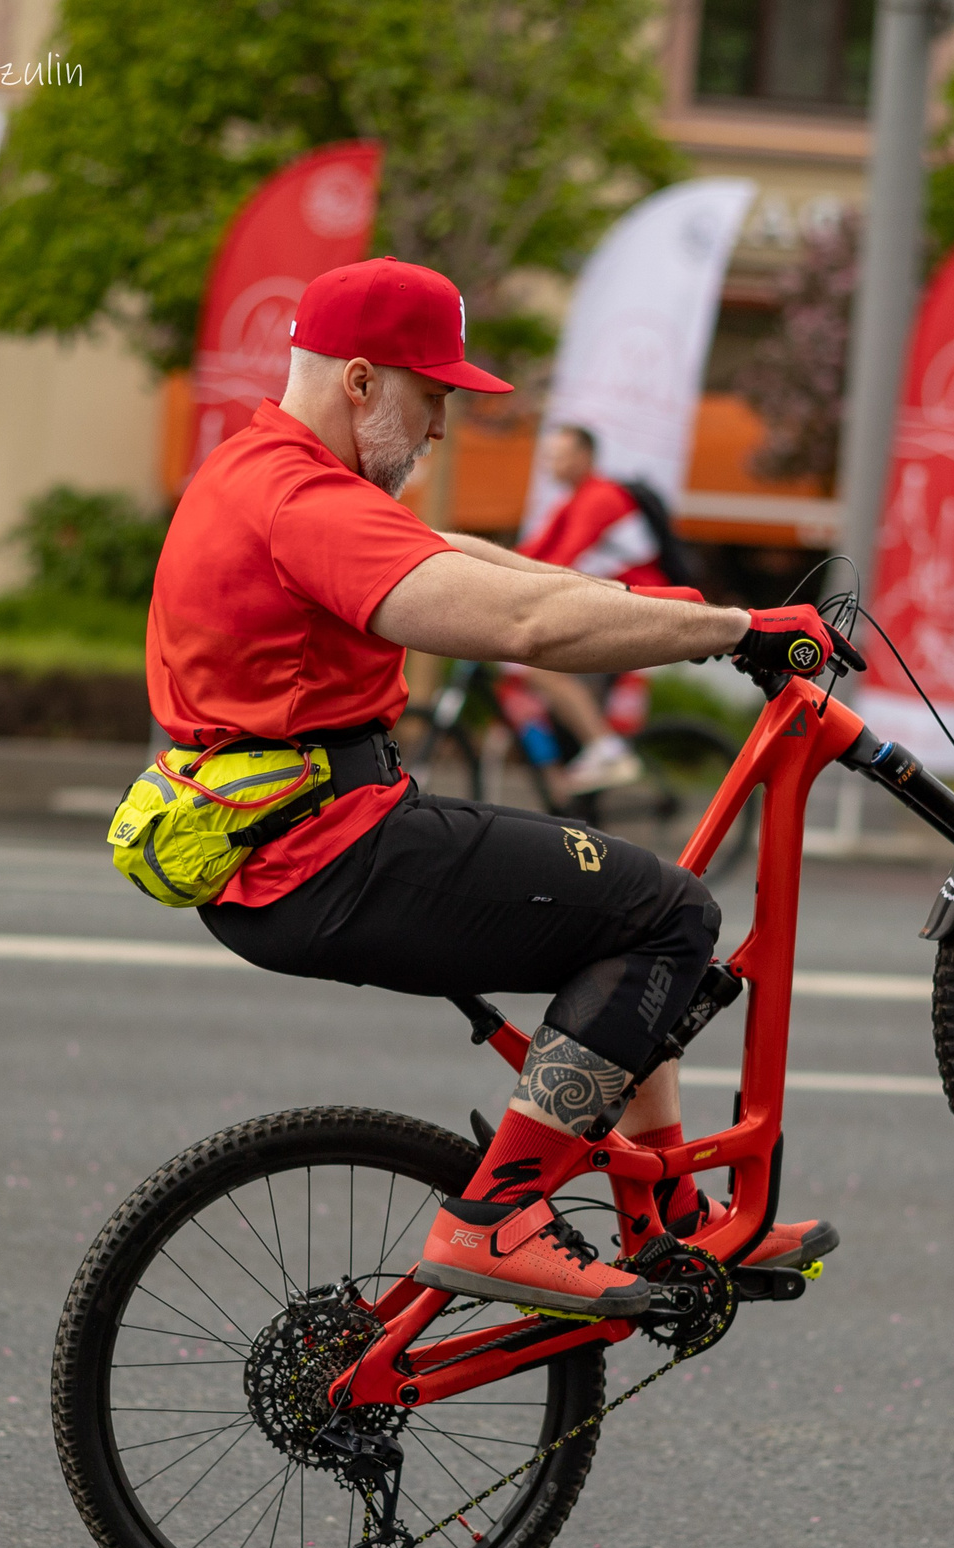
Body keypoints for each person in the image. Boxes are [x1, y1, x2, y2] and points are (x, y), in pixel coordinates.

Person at [148, 257, 837, 1315]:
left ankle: (670, 1225)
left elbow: (464, 556)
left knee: (631, 918)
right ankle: (496, 1218)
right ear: (364, 382)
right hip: (326, 853)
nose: (437, 431)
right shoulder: (295, 496)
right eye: (433, 399)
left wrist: (666, 606)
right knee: (667, 915)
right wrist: (737, 629)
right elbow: (526, 628)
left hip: (299, 844)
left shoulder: (270, 469)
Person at [504, 424, 668, 792]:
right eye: (548, 456)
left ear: (585, 457)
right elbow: (529, 553)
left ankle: (604, 749)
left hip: (638, 608)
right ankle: (573, 771)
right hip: (612, 604)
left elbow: (561, 561)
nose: (551, 464)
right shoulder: (572, 500)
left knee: (538, 666)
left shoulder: (600, 498)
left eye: (559, 455)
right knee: (527, 674)